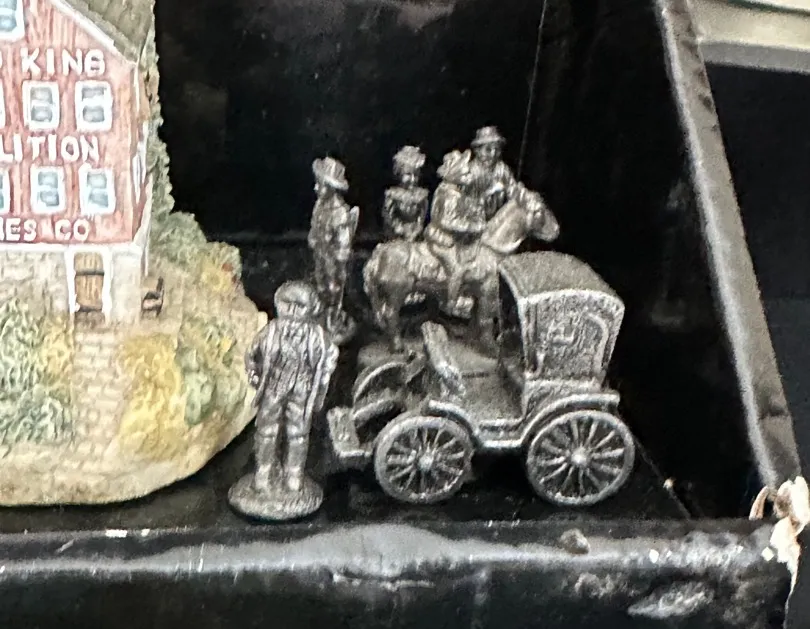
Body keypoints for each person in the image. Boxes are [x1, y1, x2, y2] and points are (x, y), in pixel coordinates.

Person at [241, 281, 338, 512]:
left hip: (302, 390)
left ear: (312, 308)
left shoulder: (317, 336)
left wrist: (323, 377)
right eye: (287, 304)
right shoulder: (271, 332)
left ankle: (294, 474)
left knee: (298, 433)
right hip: (274, 388)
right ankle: (263, 472)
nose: (293, 311)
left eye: (300, 306)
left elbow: (331, 355)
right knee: (266, 430)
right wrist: (254, 375)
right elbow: (251, 354)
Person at [424, 149, 486, 311]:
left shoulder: (454, 191)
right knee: (457, 268)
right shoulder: (450, 196)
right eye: (465, 174)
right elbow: (447, 221)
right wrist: (471, 227)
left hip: (453, 238)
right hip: (441, 238)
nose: (469, 177)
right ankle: (451, 302)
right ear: (454, 175)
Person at [307, 156, 359, 344]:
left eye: (320, 184)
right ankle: (323, 312)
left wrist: (339, 257)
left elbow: (344, 242)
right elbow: (315, 226)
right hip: (321, 253)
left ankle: (334, 316)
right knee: (320, 283)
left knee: (333, 287)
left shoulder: (340, 213)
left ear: (331, 188)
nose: (316, 188)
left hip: (333, 259)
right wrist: (314, 238)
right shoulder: (320, 205)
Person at [467, 126, 533, 220]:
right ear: (477, 151)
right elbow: (464, 203)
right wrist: (489, 193)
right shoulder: (469, 172)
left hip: (498, 218)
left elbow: (512, 189)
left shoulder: (502, 169)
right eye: (488, 150)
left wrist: (520, 194)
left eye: (497, 150)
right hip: (474, 220)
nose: (493, 154)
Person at [382, 145, 429, 241]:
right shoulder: (393, 195)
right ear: (399, 174)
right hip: (397, 235)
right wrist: (398, 227)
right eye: (408, 174)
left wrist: (417, 228)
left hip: (415, 234)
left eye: (416, 175)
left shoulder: (421, 195)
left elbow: (421, 216)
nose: (413, 179)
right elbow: (388, 216)